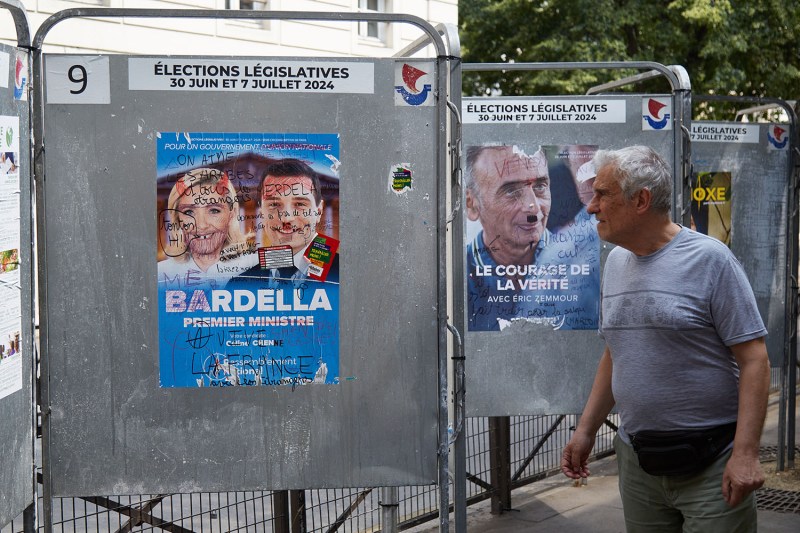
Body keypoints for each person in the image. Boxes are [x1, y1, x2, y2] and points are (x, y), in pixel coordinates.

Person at [561, 146, 770, 532]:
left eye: (603, 194)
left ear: (640, 200)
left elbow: (754, 358)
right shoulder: (616, 262)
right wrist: (586, 430)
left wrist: (746, 453)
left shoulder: (711, 260)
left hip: (713, 463)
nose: (592, 207)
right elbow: (616, 351)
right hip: (638, 463)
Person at [465, 144, 598, 331]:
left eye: (540, 186)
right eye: (511, 191)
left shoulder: (583, 262)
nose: (533, 206)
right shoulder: (456, 280)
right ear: (471, 205)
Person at [233, 158, 338, 285]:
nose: (286, 218)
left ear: (319, 212)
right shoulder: (239, 284)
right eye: (274, 204)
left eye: (299, 204)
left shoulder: (345, 275)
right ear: (261, 213)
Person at [158, 167, 256, 289]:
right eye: (189, 212)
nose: (202, 225)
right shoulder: (160, 274)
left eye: (214, 210)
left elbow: (287, 254)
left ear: (232, 214)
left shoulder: (256, 262)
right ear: (178, 220)